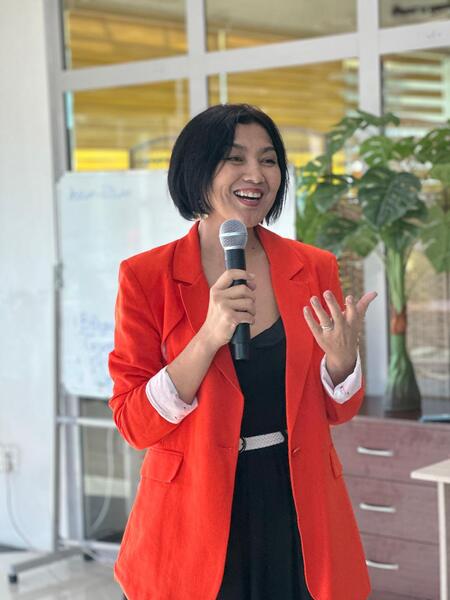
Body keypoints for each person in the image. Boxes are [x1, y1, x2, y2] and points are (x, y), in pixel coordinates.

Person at [108, 103, 377, 600]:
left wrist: (343, 362)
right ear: (197, 169)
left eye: (269, 160)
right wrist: (209, 335)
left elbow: (338, 411)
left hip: (297, 502)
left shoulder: (313, 267)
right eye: (236, 158)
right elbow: (134, 423)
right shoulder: (146, 277)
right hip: (193, 513)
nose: (256, 174)